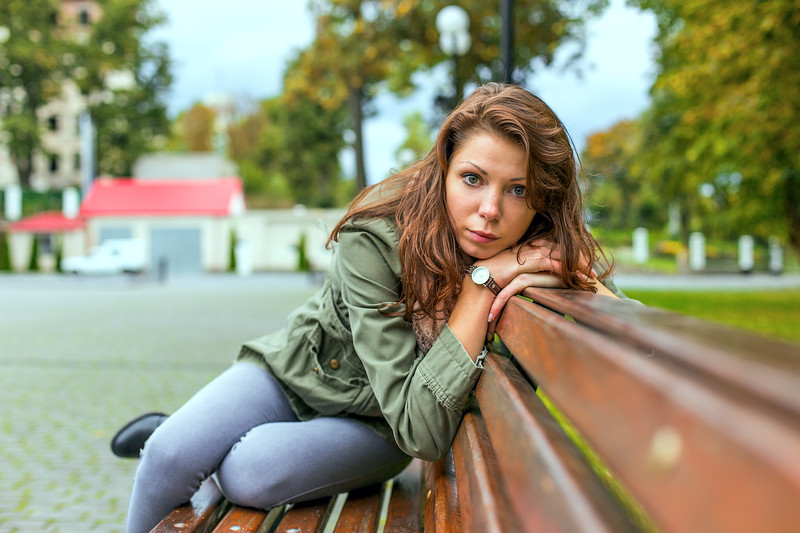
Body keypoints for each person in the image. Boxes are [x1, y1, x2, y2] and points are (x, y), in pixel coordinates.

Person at [119, 82, 623, 533]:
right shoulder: (380, 233)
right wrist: (483, 282)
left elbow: (419, 430)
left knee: (244, 472)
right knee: (169, 453)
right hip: (300, 372)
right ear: (445, 167)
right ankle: (182, 431)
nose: (490, 210)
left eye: (517, 190)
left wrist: (506, 284)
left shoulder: (540, 251)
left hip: (382, 423)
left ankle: (201, 435)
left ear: (541, 201)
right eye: (473, 179)